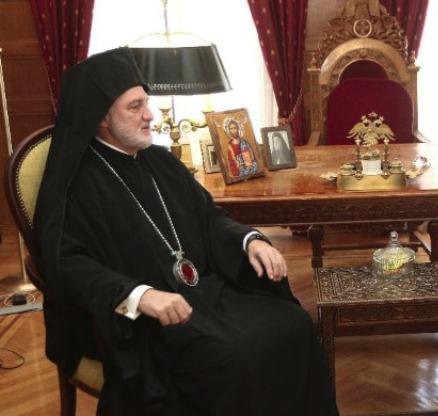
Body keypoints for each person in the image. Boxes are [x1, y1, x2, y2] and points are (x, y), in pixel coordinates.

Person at [33, 47, 339, 416]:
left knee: (295, 324)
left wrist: (250, 241)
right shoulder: (76, 183)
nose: (150, 115)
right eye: (135, 107)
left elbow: (209, 217)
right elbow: (66, 263)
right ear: (101, 117)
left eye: (146, 102)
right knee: (230, 357)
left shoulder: (159, 160)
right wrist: (139, 295)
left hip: (204, 292)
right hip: (143, 318)